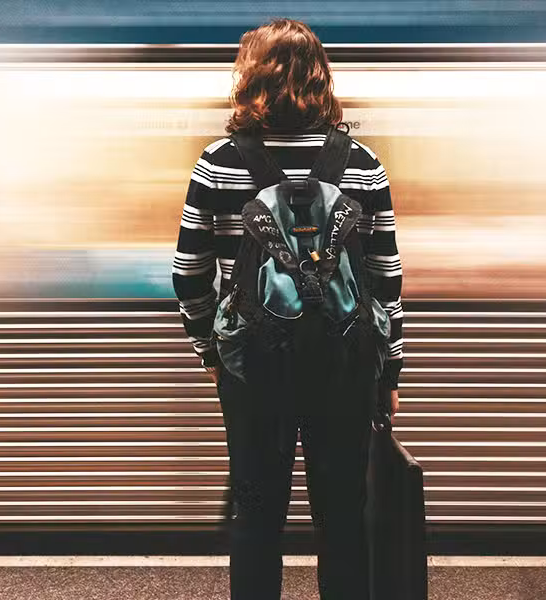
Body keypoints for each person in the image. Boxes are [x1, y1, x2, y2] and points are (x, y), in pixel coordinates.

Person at [172, 18, 404, 600]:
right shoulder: (362, 164)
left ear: (248, 78)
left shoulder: (218, 163)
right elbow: (386, 280)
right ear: (322, 79)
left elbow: (188, 273)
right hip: (345, 370)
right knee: (344, 519)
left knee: (256, 516)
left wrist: (210, 351)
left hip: (253, 371)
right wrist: (390, 370)